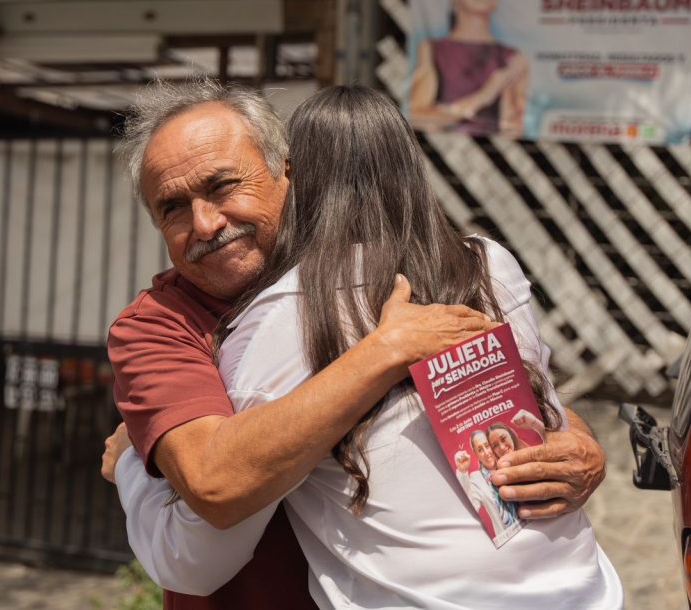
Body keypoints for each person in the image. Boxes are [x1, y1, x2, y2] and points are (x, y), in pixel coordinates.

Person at [106, 79, 609, 608]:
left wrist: (576, 440)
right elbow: (209, 505)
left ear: (289, 173)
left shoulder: (440, 275)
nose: (205, 223)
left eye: (223, 185)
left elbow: (518, 387)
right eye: (173, 208)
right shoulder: (160, 327)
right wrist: (385, 351)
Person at [409, 0, 528, 136]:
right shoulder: (432, 50)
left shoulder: (512, 57)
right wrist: (484, 96)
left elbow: (515, 128)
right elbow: (418, 116)